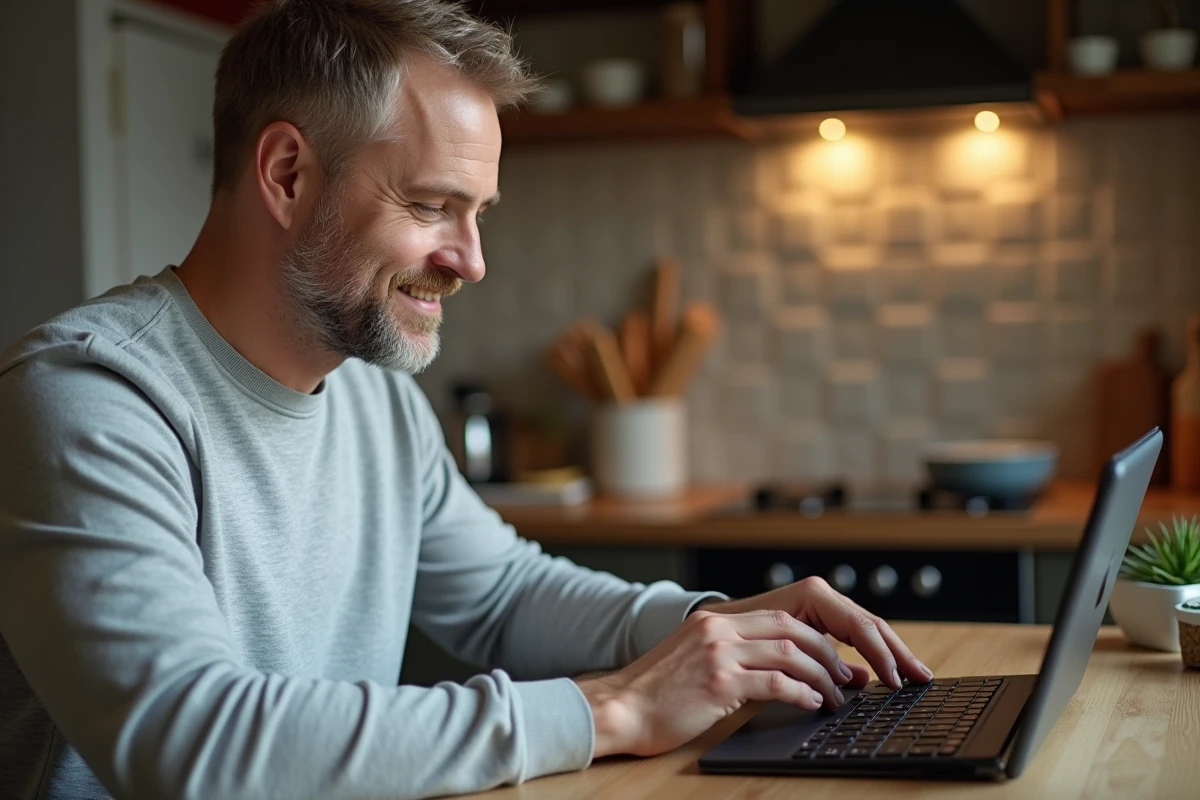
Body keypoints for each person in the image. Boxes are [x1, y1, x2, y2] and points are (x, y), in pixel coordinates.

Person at [0, 1, 932, 798]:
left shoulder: (378, 405)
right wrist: (613, 706)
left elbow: (504, 597)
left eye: (477, 213)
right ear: (286, 174)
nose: (472, 260)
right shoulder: (91, 397)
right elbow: (187, 740)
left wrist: (715, 630)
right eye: (430, 205)